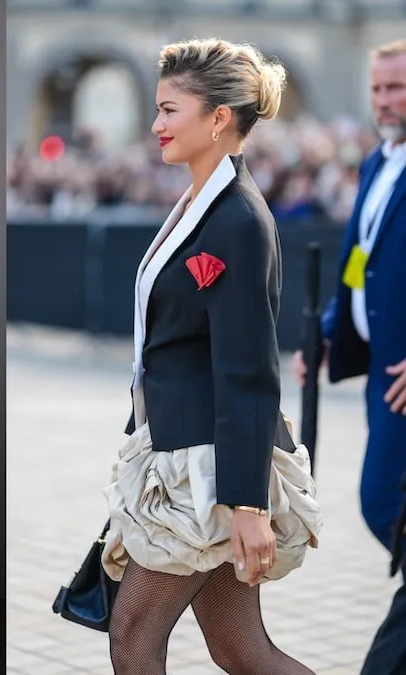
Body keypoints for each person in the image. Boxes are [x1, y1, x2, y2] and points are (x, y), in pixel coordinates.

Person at [99, 38, 323, 673]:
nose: (156, 125)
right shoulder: (202, 205)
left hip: (207, 473)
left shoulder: (238, 221)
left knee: (133, 635)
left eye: (170, 110)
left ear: (218, 117)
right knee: (240, 649)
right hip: (180, 453)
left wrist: (247, 506)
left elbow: (248, 369)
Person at [291, 39, 406, 675]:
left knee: (384, 502)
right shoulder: (376, 165)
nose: (386, 101)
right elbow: (359, 261)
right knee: (383, 505)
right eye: (379, 89)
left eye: (399, 88)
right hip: (380, 367)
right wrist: (331, 329)